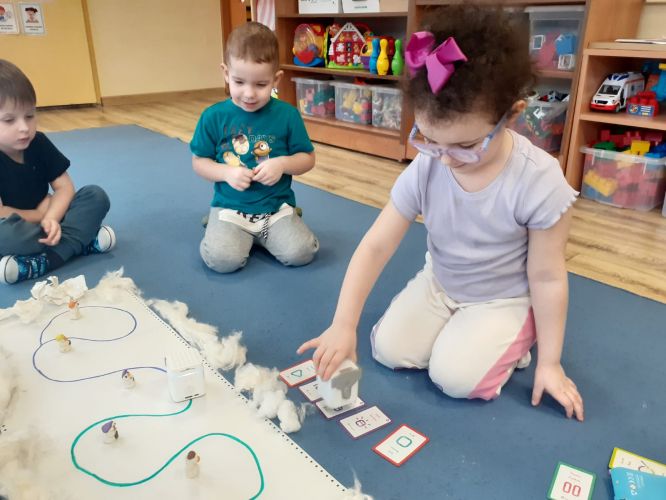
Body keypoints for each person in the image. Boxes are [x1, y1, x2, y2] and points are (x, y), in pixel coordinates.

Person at [298, 5, 584, 421]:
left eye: (466, 146)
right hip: (442, 282)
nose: (446, 159)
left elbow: (547, 277)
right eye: (429, 139)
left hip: (502, 298)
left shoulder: (538, 180)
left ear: (512, 115)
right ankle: (464, 330)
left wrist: (550, 364)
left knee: (455, 378)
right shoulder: (429, 163)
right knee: (387, 349)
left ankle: (520, 336)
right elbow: (377, 245)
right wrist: (344, 323)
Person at [191, 22, 318, 273]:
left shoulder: (288, 115)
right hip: (231, 209)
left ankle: (262, 234)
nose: (249, 94)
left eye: (260, 84)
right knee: (222, 260)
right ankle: (221, 224)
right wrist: (226, 173)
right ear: (225, 73)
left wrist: (282, 164)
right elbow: (199, 162)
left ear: (276, 79)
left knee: (302, 253)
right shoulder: (213, 117)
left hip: (275, 209)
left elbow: (307, 158)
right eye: (239, 82)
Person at [0, 59, 115, 285]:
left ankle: (45, 260)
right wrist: (41, 215)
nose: (24, 127)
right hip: (19, 227)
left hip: (52, 219)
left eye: (30, 116)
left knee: (95, 196)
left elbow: (64, 187)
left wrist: (52, 216)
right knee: (5, 236)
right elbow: (2, 212)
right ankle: (80, 242)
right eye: (9, 120)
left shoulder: (39, 142)